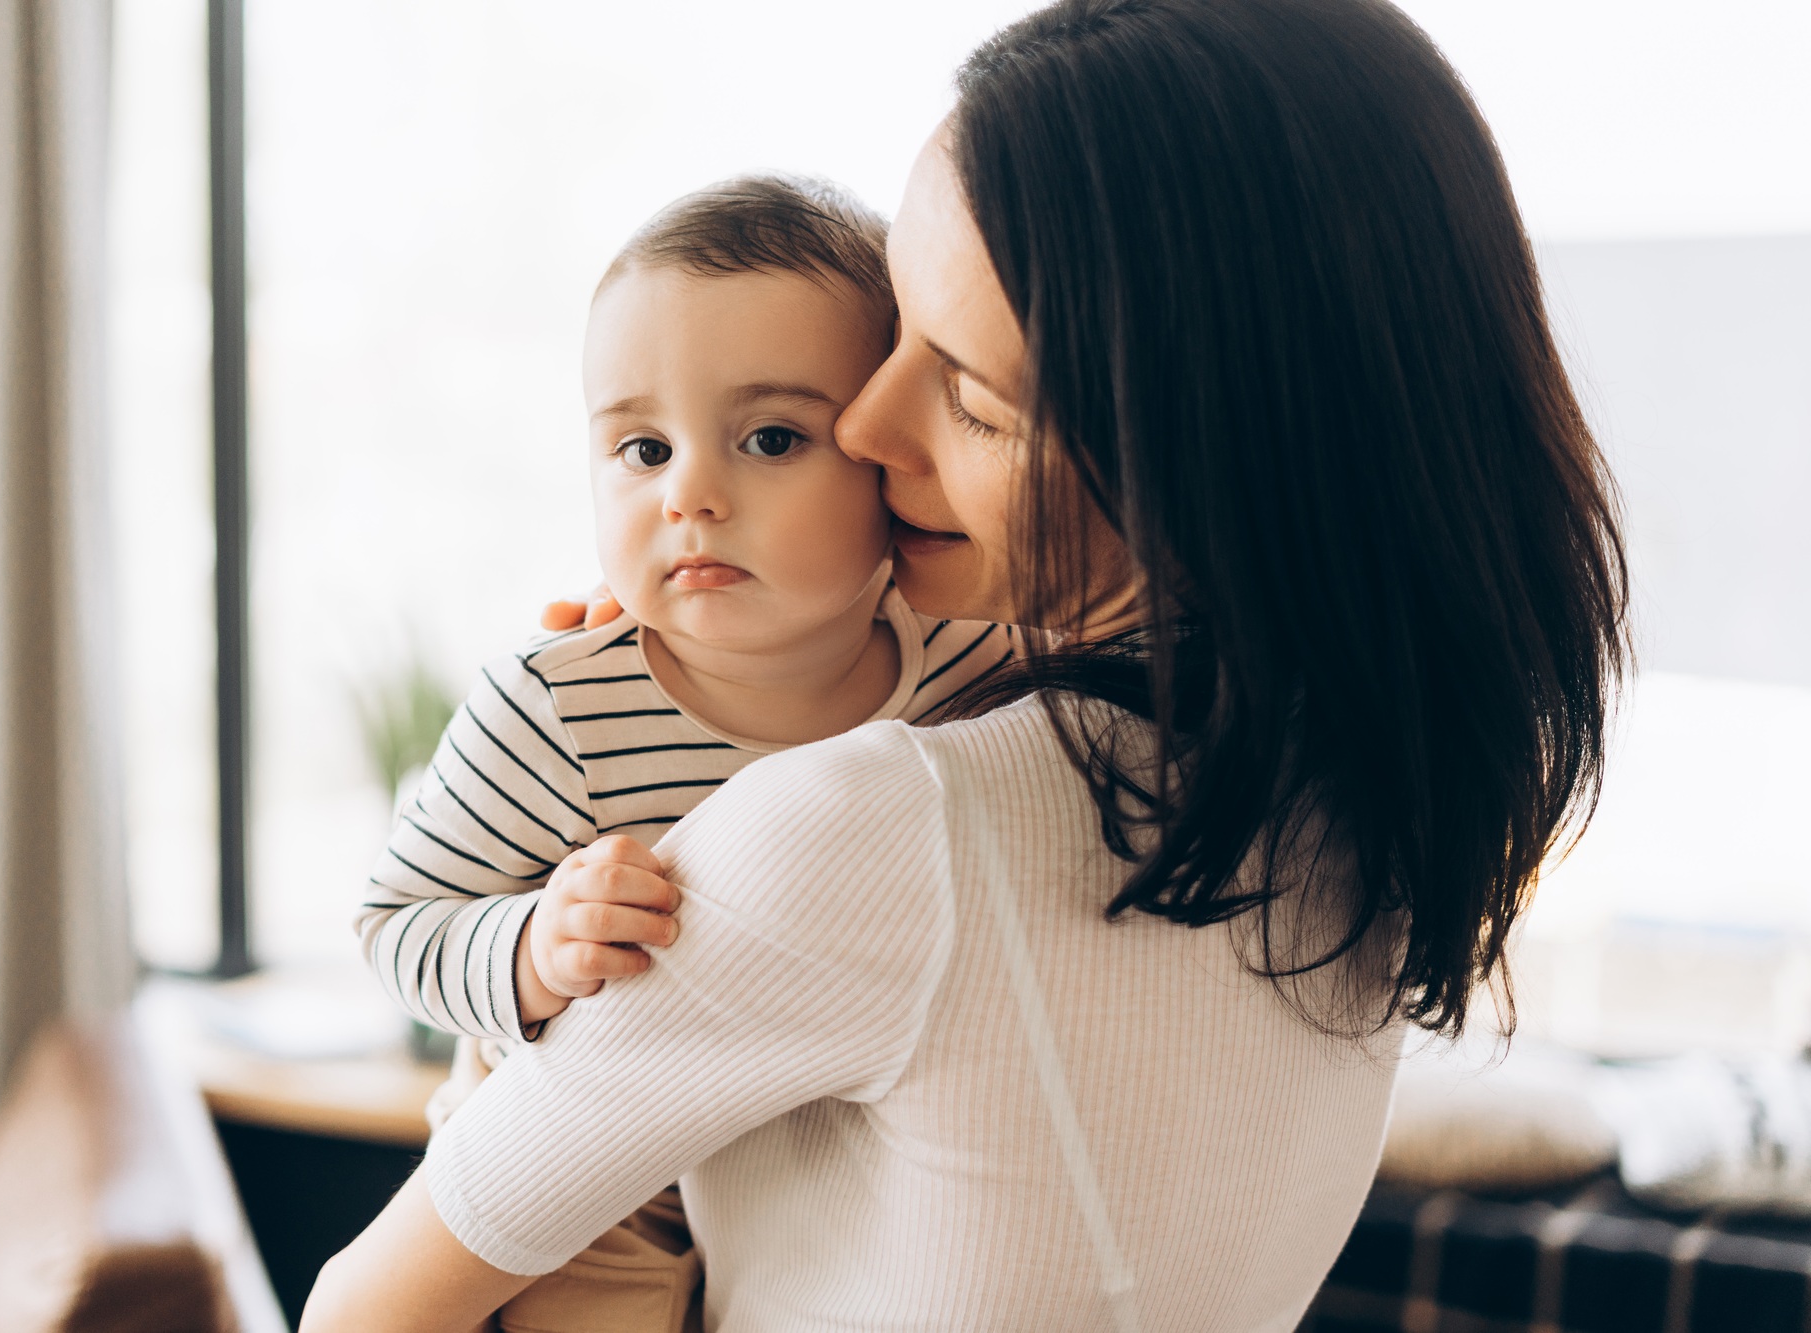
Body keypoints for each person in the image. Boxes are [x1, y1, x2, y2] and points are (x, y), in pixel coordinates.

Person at [305, 1, 1628, 1329]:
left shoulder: (886, 824)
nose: (865, 428)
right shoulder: (1377, 779)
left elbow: (363, 1309)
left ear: (1203, 454)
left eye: (971, 396)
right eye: (894, 339)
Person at [356, 173, 1008, 1329]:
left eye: (771, 438)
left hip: (821, 1142)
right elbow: (396, 922)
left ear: (891, 458)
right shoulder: (557, 704)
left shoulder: (974, 660)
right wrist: (534, 946)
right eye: (642, 447)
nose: (689, 494)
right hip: (591, 1185)